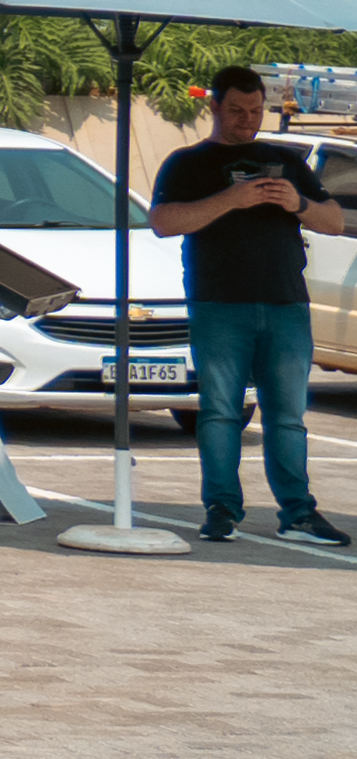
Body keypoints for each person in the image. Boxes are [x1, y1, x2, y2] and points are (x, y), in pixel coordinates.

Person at [150, 63, 351, 548]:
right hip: (219, 303)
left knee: (288, 415)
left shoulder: (284, 157)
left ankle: (298, 514)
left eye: (255, 110)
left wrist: (296, 204)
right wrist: (231, 199)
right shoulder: (187, 162)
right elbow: (163, 221)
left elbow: (335, 222)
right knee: (220, 411)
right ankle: (220, 509)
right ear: (214, 106)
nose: (247, 119)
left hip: (285, 302)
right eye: (237, 110)